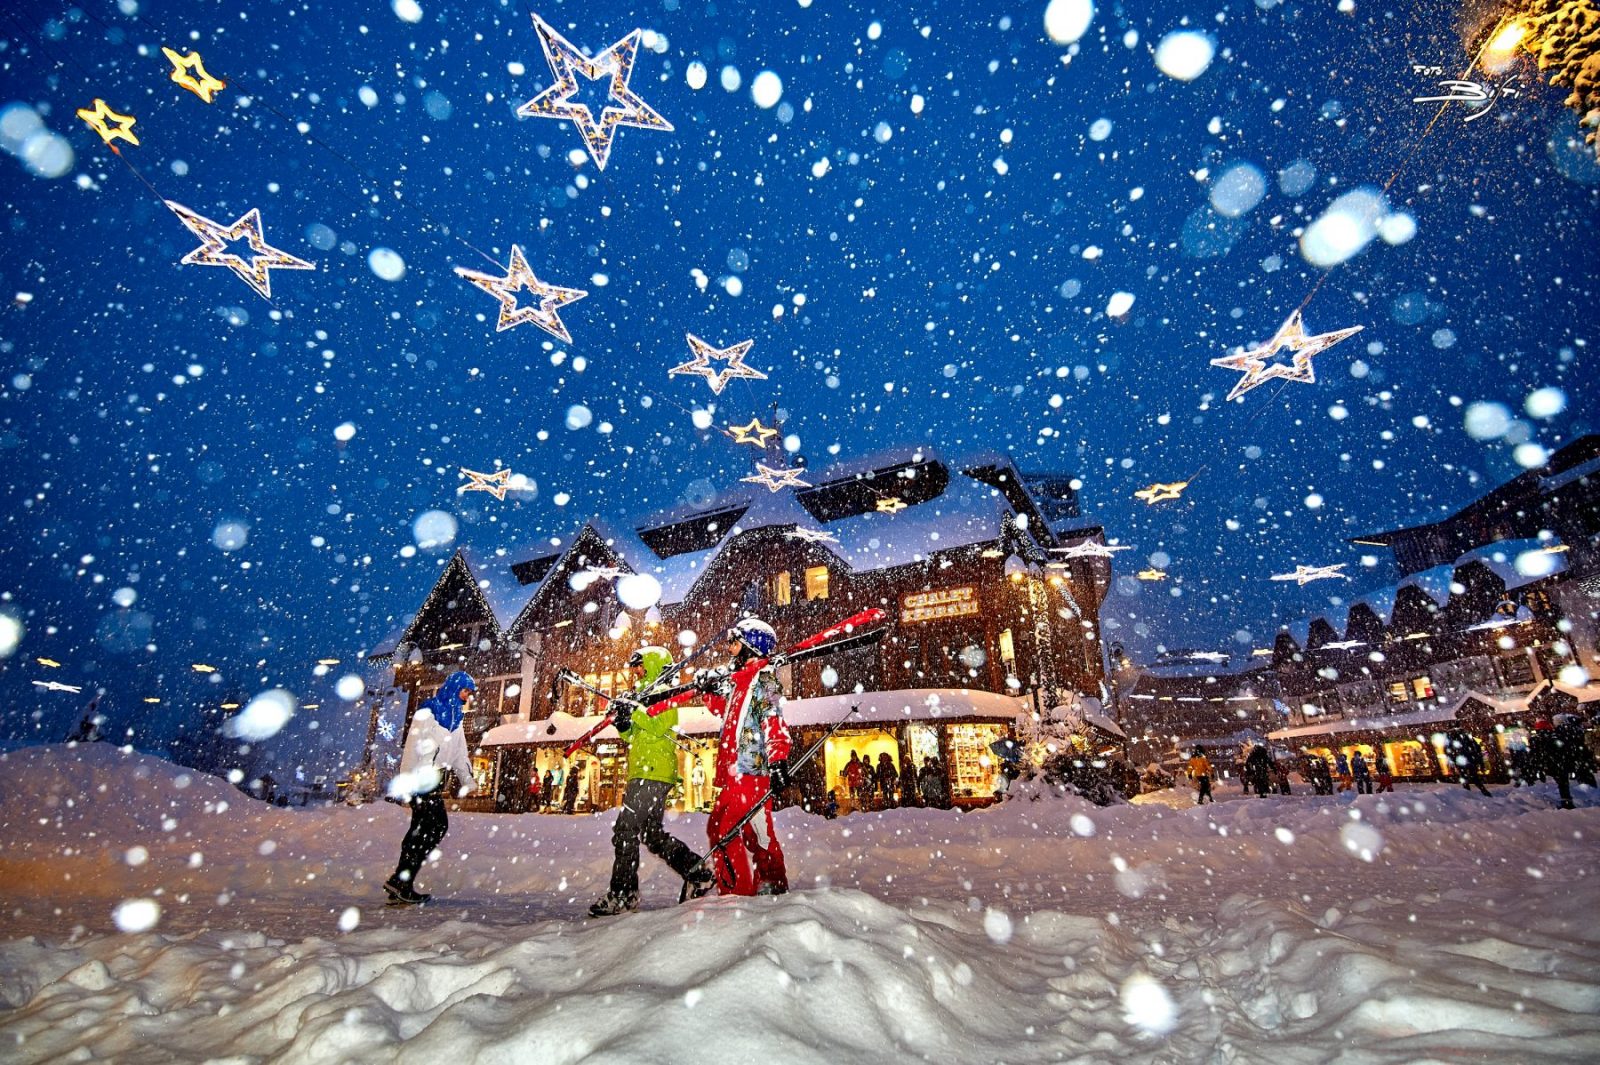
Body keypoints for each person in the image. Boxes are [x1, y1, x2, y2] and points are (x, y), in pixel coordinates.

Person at [589, 646, 714, 917]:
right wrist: (623, 722)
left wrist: (634, 710)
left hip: (653, 772)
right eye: (633, 666)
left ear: (654, 666)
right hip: (644, 771)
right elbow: (634, 737)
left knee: (625, 830)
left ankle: (623, 894)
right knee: (651, 834)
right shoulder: (642, 697)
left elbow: (658, 727)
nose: (635, 671)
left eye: (639, 665)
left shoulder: (665, 693)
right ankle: (696, 870)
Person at [692, 618, 793, 896]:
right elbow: (729, 714)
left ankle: (736, 894)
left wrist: (777, 758)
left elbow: (774, 719)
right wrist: (709, 692)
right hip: (735, 772)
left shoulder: (764, 679)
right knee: (741, 830)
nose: (730, 650)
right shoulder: (739, 683)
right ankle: (771, 880)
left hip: (752, 770)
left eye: (735, 644)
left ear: (750, 647)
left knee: (728, 832)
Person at [385, 671, 478, 905]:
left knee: (424, 828)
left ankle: (401, 880)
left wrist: (468, 780)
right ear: (454, 687)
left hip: (436, 779)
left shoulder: (456, 719)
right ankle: (401, 880)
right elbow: (411, 747)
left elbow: (460, 755)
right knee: (434, 826)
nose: (467, 696)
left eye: (469, 692)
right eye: (465, 690)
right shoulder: (428, 712)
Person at [1446, 730, 1492, 796]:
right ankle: (1482, 791)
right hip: (1469, 760)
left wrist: (1453, 761)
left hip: (1463, 761)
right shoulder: (1467, 738)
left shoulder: (1452, 740)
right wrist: (1479, 762)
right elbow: (1477, 750)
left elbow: (1449, 752)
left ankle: (1469, 793)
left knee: (1466, 778)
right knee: (1473, 777)